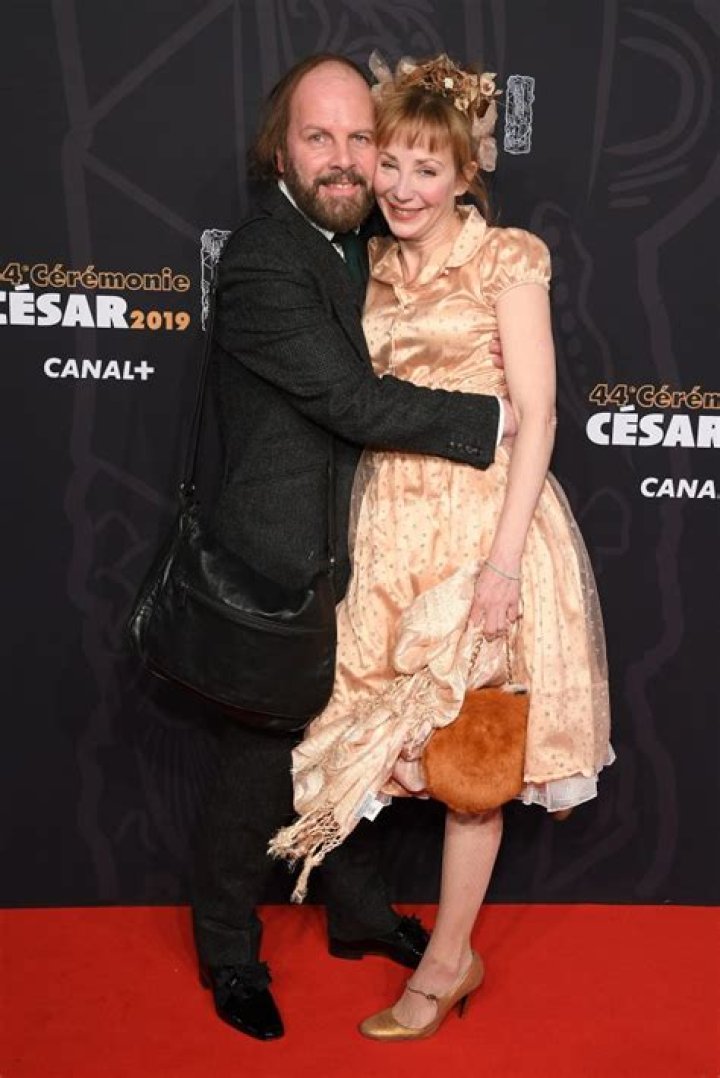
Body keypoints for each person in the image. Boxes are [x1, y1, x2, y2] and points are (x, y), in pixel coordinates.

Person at [269, 53, 612, 1040]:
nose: (404, 187)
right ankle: (380, 921)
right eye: (392, 164)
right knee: (385, 748)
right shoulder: (366, 263)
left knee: (472, 759)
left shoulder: (508, 259)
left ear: (467, 174)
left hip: (481, 537)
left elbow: (540, 418)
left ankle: (449, 960)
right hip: (385, 537)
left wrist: (501, 566)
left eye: (429, 168)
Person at [192, 53, 515, 1041]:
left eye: (358, 138)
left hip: (363, 550)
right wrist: (492, 417)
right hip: (278, 561)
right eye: (318, 138)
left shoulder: (366, 244)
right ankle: (228, 951)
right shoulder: (263, 259)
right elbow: (350, 400)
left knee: (353, 747)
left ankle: (361, 917)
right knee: (258, 766)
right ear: (279, 152)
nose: (343, 159)